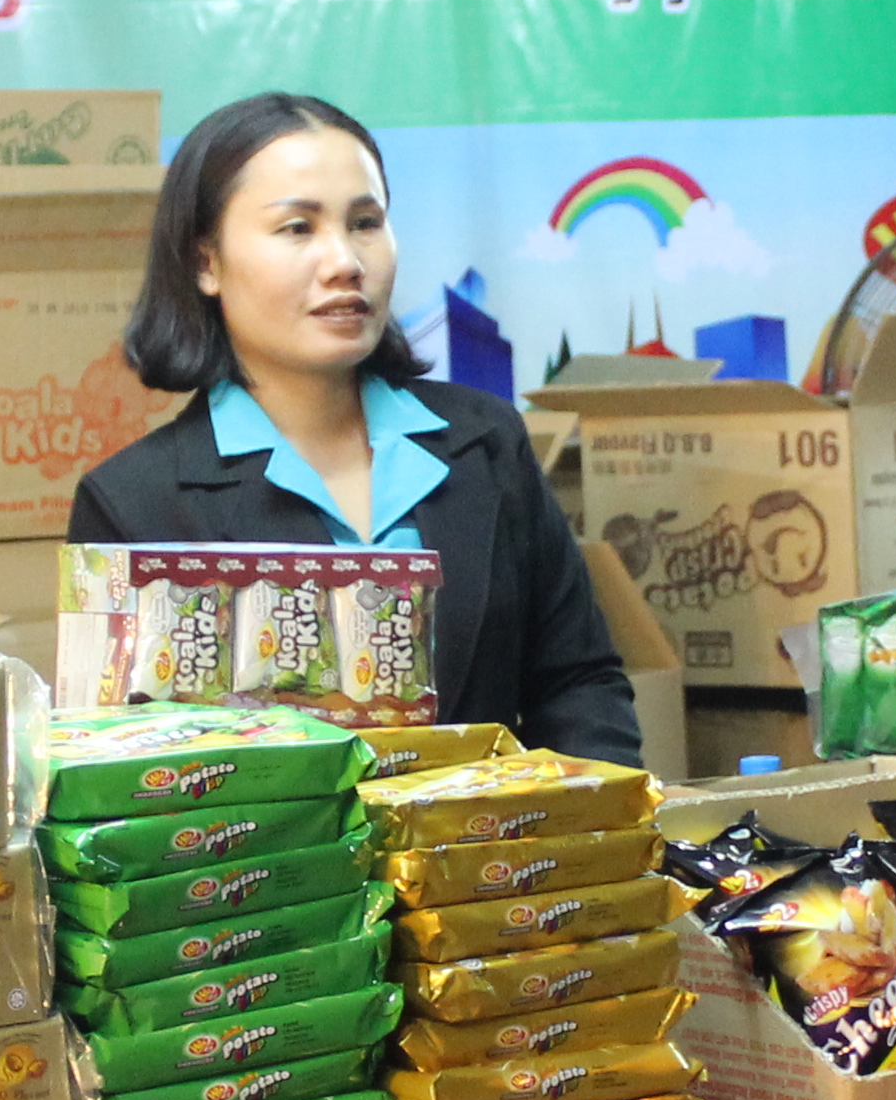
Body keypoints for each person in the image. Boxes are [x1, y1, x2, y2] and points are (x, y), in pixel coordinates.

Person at [65, 93, 640, 761]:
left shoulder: (486, 443)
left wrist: (591, 838)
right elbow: (118, 768)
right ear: (206, 263)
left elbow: (577, 682)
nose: (345, 261)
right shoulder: (132, 504)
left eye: (365, 222)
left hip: (492, 855)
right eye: (297, 229)